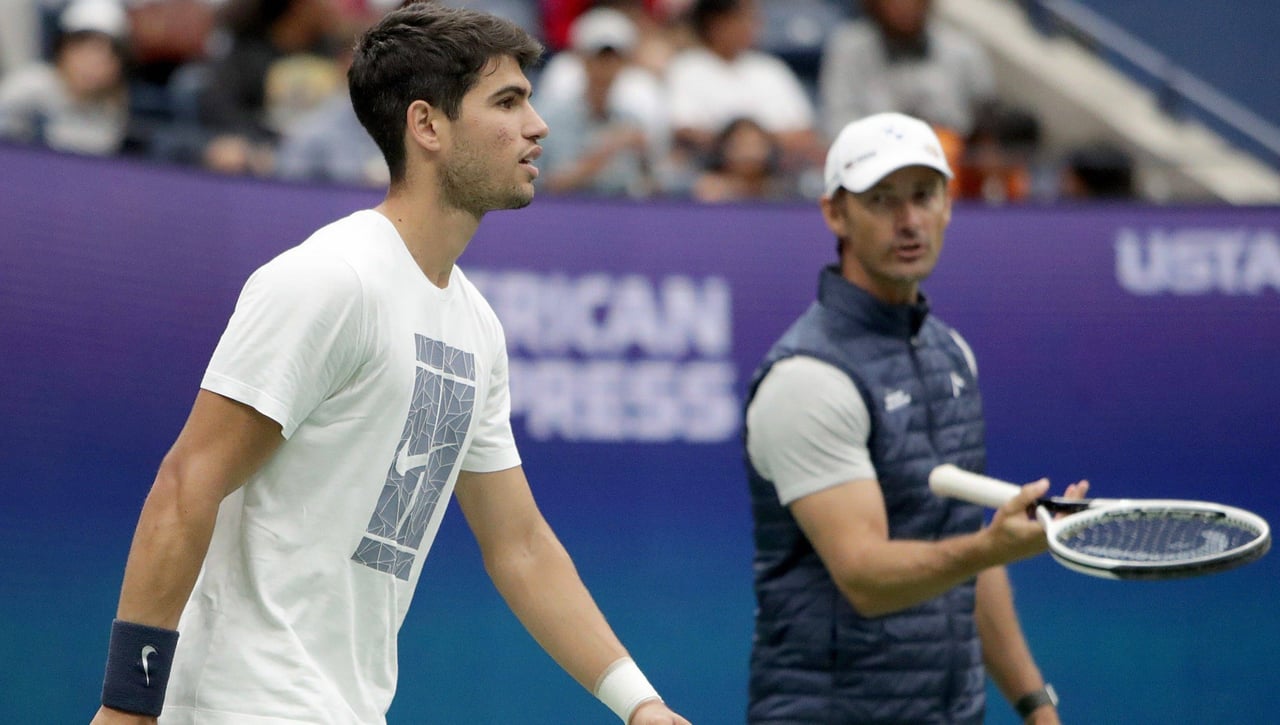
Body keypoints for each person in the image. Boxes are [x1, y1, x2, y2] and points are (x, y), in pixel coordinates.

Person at [89, 5, 690, 725]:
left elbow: (521, 546)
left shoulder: (476, 326)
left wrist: (640, 704)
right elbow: (188, 482)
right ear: (427, 125)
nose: (538, 126)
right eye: (507, 102)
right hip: (237, 703)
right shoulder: (329, 279)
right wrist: (127, 706)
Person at [742, 111, 1085, 724]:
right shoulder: (806, 379)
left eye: (924, 195)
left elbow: (970, 557)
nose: (908, 220)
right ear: (835, 214)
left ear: (948, 205)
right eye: (881, 199)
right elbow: (865, 577)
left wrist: (1035, 705)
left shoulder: (952, 355)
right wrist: (988, 546)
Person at [664, 0, 821, 174]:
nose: (750, 26)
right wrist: (735, 144)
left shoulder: (770, 69)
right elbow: (683, 129)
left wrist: (756, 143)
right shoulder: (687, 67)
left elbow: (804, 133)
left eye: (752, 19)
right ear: (715, 23)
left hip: (773, 175)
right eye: (741, 19)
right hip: (710, 171)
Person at [818, 0, 996, 140]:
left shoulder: (963, 49)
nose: (905, 4)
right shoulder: (848, 48)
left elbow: (987, 119)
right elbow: (837, 123)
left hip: (951, 157)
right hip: (876, 159)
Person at [537, 6, 656, 197]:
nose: (606, 68)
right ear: (582, 60)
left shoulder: (632, 120)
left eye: (614, 59)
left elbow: (649, 187)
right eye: (599, 58)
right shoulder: (550, 118)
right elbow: (547, 184)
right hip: (564, 211)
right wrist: (609, 148)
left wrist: (646, 160)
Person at [0, 0, 132, 156]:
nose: (93, 65)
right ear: (63, 50)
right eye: (85, 51)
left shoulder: (113, 108)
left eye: (106, 57)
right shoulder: (30, 85)